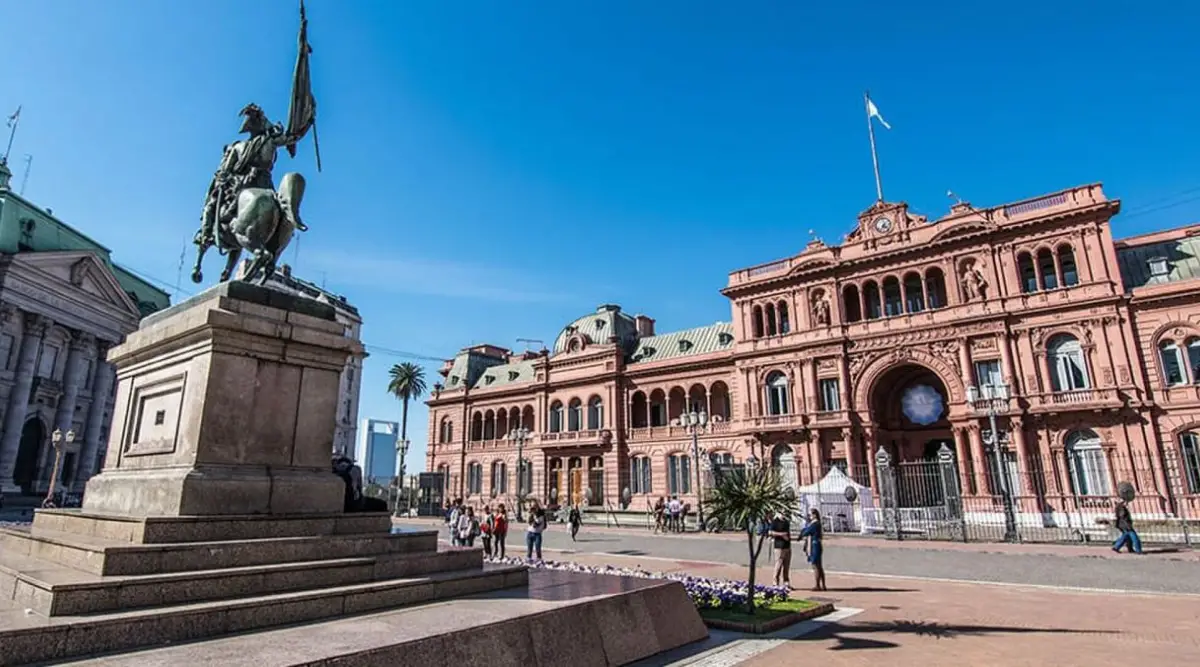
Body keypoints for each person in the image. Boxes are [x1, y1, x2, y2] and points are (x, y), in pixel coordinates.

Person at [799, 508, 826, 591]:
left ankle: (818, 585)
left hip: (814, 545)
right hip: (816, 544)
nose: (809, 517)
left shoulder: (815, 524)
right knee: (819, 565)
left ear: (814, 515)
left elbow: (806, 532)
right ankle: (823, 585)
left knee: (815, 565)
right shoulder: (815, 523)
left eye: (810, 515)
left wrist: (803, 531)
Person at [768, 510, 793, 589]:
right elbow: (770, 532)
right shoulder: (775, 521)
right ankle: (775, 582)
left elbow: (788, 533)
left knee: (786, 565)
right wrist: (781, 534)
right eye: (783, 513)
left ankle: (786, 582)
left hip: (787, 545)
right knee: (778, 564)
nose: (784, 515)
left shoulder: (786, 522)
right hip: (779, 546)